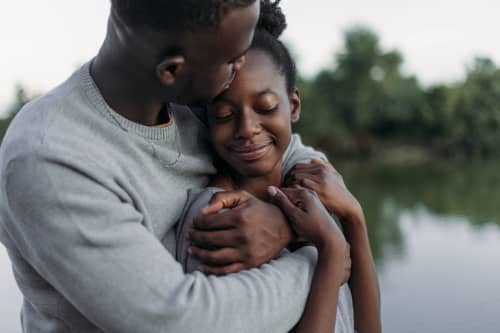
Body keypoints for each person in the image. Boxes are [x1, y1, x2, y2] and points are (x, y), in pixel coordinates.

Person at [0, 1, 336, 332]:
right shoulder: (47, 159)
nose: (241, 67)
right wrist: (322, 258)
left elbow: (290, 147)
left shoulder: (194, 102)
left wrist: (287, 218)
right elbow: (181, 320)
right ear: (172, 70)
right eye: (233, 59)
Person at [175, 2, 381, 332]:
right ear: (206, 119)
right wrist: (331, 249)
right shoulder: (218, 219)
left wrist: (354, 218)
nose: (247, 128)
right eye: (225, 115)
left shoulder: (310, 186)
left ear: (294, 106)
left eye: (266, 107)